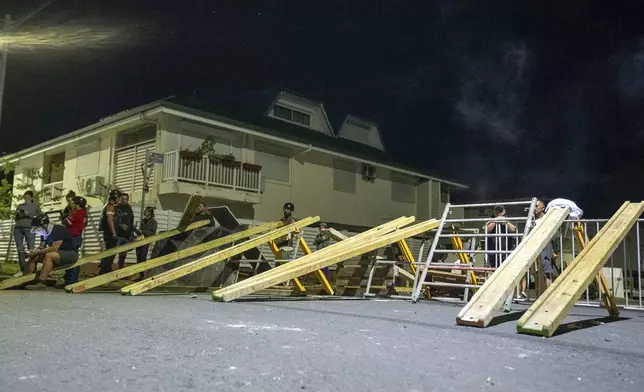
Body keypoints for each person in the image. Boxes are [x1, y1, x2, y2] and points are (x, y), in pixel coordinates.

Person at [24, 214, 79, 290]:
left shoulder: (58, 230)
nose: (37, 231)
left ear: (45, 225)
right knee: (34, 256)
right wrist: (32, 252)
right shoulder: (44, 233)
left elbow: (54, 248)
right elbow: (41, 247)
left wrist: (37, 252)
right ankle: (28, 279)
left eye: (38, 228)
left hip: (70, 254)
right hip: (57, 254)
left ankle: (41, 282)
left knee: (49, 255)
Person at [59, 196, 88, 287]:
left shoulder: (77, 212)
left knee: (70, 259)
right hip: (77, 236)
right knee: (73, 258)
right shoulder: (84, 213)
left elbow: (66, 222)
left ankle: (70, 281)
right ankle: (72, 280)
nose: (72, 205)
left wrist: (64, 217)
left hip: (72, 237)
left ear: (78, 204)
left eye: (74, 203)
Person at [12, 191, 42, 277]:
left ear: (32, 198)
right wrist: (18, 213)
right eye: (25, 197)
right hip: (18, 229)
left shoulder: (35, 206)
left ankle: (31, 270)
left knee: (31, 249)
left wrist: (29, 215)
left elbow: (39, 219)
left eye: (28, 197)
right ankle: (23, 269)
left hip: (30, 229)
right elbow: (15, 218)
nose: (26, 199)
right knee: (20, 249)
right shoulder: (20, 206)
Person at [99, 189, 122, 274]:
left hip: (109, 234)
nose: (119, 200)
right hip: (109, 234)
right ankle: (104, 271)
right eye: (118, 198)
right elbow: (110, 220)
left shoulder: (111, 206)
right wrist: (114, 233)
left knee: (110, 254)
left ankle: (106, 269)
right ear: (115, 197)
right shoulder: (109, 207)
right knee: (110, 254)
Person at [134, 207, 157, 281]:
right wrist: (135, 229)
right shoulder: (143, 220)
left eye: (146, 211)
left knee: (143, 257)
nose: (144, 212)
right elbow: (140, 231)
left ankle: (144, 275)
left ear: (150, 212)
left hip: (146, 242)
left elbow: (152, 233)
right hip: (140, 241)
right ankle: (140, 275)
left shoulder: (153, 221)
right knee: (138, 258)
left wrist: (143, 231)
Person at [115, 193, 135, 269]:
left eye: (125, 199)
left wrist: (134, 231)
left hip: (127, 236)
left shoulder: (130, 209)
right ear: (120, 200)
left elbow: (131, 222)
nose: (124, 201)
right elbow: (113, 221)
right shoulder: (117, 209)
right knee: (112, 253)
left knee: (123, 255)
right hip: (118, 235)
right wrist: (120, 225)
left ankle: (120, 270)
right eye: (122, 199)